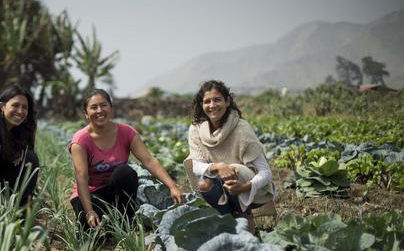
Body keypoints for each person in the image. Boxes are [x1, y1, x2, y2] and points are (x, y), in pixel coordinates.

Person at [69, 89, 185, 230]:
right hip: (91, 193)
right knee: (90, 228)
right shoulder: (81, 140)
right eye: (93, 107)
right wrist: (89, 212)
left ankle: (126, 216)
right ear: (86, 114)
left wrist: (172, 186)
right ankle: (109, 220)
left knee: (125, 172)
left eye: (103, 105)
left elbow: (149, 160)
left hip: (115, 191)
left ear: (111, 108)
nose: (99, 110)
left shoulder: (126, 132)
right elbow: (81, 178)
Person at [186, 80, 275, 233]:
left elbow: (265, 173)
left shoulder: (242, 128)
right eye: (207, 101)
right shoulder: (196, 129)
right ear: (201, 105)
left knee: (234, 169)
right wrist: (218, 166)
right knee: (204, 184)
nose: (212, 105)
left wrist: (244, 188)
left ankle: (244, 215)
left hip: (248, 186)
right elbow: (196, 165)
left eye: (217, 99)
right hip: (219, 184)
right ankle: (228, 217)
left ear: (227, 101)